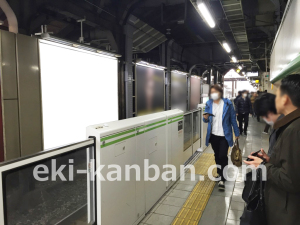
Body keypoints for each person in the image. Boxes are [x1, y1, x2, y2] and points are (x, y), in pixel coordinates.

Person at [245, 74, 300, 225]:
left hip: (287, 211)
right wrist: (271, 159)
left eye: (278, 95)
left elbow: (291, 180)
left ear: (286, 99)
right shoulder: (290, 125)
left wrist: (262, 166)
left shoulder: (293, 130)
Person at [203, 85, 240, 190]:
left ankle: (223, 179)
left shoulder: (228, 104)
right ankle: (219, 173)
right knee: (217, 155)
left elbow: (233, 119)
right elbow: (205, 120)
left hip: (225, 135)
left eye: (216, 92)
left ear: (220, 93)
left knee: (223, 155)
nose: (214, 94)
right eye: (212, 92)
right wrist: (205, 118)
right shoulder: (209, 103)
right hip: (213, 134)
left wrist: (237, 133)